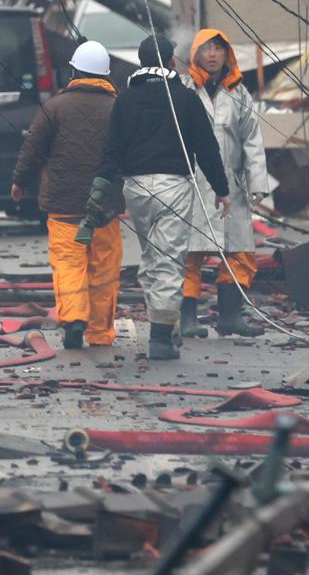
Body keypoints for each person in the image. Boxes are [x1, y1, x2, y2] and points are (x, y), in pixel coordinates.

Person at [86, 34, 230, 360]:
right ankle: (161, 339)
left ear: (140, 62)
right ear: (171, 62)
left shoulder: (125, 100)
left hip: (135, 189)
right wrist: (221, 189)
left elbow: (111, 150)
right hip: (174, 188)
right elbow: (206, 148)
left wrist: (100, 187)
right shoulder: (185, 98)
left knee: (152, 258)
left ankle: (166, 323)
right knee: (168, 261)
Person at [11, 40, 120, 350]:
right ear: (105, 75)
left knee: (69, 264)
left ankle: (73, 320)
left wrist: (20, 181)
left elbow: (32, 148)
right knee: (104, 268)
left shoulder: (54, 107)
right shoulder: (118, 107)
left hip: (63, 206)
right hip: (106, 208)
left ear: (73, 71)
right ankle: (99, 333)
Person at [179, 29, 274, 339]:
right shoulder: (183, 89)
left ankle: (230, 316)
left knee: (239, 251)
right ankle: (187, 317)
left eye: (219, 48)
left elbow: (252, 141)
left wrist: (257, 183)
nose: (213, 54)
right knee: (189, 252)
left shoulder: (240, 94)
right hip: (191, 184)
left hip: (231, 186)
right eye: (206, 48)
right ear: (196, 53)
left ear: (227, 54)